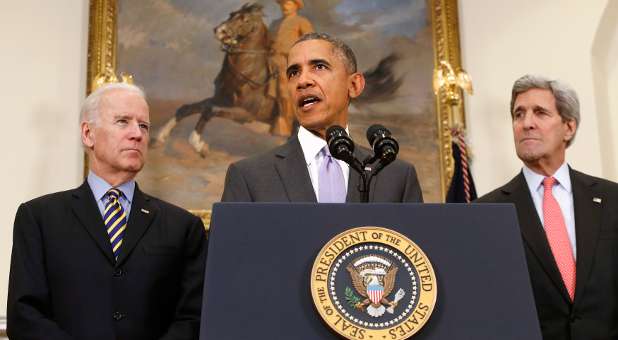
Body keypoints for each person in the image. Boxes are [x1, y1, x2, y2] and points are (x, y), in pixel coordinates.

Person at [7, 83, 207, 340]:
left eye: (144, 126)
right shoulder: (39, 218)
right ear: (88, 134)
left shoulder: (183, 227)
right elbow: (24, 315)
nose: (137, 134)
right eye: (123, 121)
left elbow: (194, 318)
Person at [477, 75, 618, 339]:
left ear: (569, 127)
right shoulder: (485, 212)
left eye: (540, 113)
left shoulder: (613, 200)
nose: (526, 123)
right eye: (519, 115)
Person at [222, 32, 423, 203]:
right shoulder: (249, 176)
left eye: (319, 67)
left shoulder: (397, 177)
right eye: (294, 72)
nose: (302, 81)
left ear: (354, 85)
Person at [268, 0, 314, 136]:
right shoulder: (274, 23)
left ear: (296, 6)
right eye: (282, 4)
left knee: (284, 91)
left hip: (290, 62)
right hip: (271, 60)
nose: (284, 7)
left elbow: (310, 42)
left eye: (287, 3)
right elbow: (267, 42)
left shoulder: (301, 21)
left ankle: (286, 125)